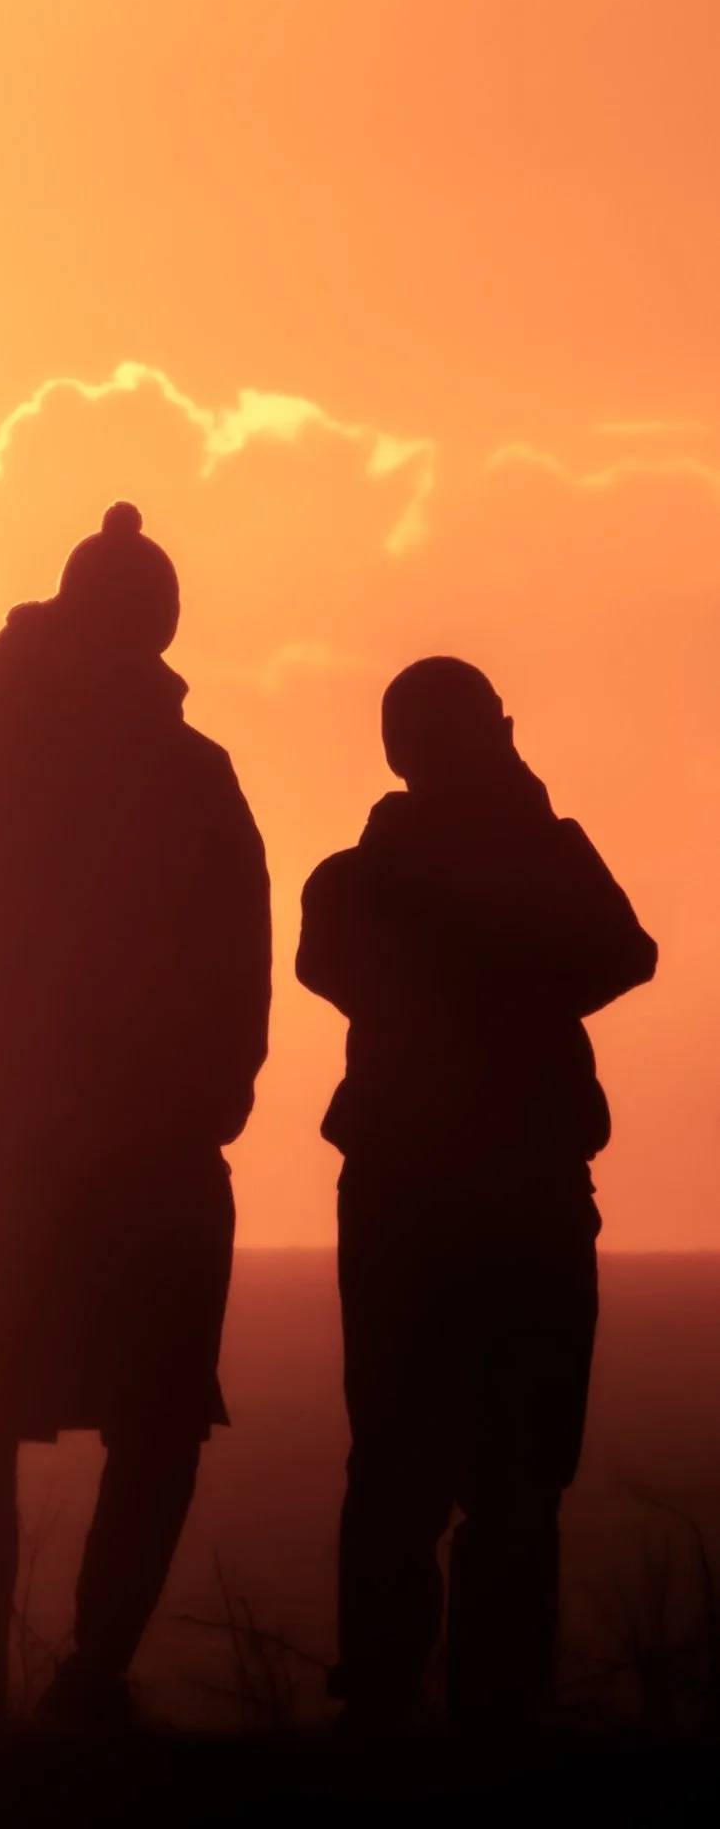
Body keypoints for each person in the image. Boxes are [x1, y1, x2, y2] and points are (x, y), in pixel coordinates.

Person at [0, 503, 271, 1730]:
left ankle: (40, 1683)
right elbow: (239, 947)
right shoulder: (177, 771)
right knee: (96, 1416)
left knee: (43, 1420)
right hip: (78, 1152)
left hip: (37, 1151)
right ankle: (67, 1678)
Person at [297, 659, 656, 1737]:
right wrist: (516, 833)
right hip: (510, 1190)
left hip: (425, 1194)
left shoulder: (357, 878)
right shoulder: (456, 868)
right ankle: (472, 1704)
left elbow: (620, 951)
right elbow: (614, 950)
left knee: (425, 1464)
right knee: (498, 1472)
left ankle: (394, 1699)